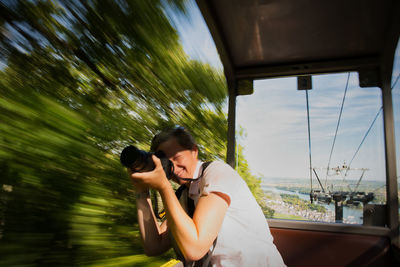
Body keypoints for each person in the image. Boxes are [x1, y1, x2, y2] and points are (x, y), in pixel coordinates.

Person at [129, 126, 286, 266]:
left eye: (177, 157)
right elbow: (154, 246)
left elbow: (194, 248)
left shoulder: (217, 172)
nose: (174, 168)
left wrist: (163, 186)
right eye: (167, 163)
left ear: (194, 151)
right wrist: (142, 192)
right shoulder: (182, 196)